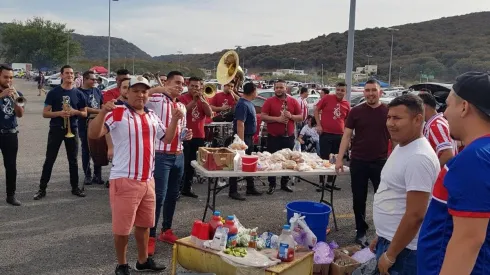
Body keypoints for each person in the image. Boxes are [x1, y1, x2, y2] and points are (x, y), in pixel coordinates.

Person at [88, 76, 172, 275]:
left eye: (144, 91)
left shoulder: (152, 115)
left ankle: (143, 261)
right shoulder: (118, 112)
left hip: (147, 179)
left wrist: (176, 119)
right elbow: (93, 134)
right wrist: (102, 112)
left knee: (144, 225)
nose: (140, 95)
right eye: (136, 90)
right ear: (127, 92)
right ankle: (122, 264)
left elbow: (166, 138)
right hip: (125, 178)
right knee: (123, 228)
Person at [418, 72, 490, 275]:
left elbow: (468, 240)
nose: (444, 113)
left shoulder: (473, 159)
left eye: (448, 105)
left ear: (464, 107)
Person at [370, 94, 440, 275]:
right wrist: (381, 234)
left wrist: (391, 254)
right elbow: (394, 193)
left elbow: (415, 214)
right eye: (389, 117)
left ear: (417, 120)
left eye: (397, 118)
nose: (390, 123)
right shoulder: (403, 146)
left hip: (404, 251)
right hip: (391, 240)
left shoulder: (418, 157)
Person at [335, 79, 391, 246]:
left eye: (374, 90)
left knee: (383, 198)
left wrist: (395, 158)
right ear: (363, 92)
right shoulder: (356, 112)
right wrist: (339, 159)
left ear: (380, 92)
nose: (370, 93)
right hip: (358, 161)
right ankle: (361, 231)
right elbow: (346, 136)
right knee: (359, 199)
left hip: (381, 161)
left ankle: (384, 232)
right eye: (367, 90)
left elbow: (394, 137)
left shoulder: (388, 112)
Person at [145, 71, 192, 255]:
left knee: (173, 195)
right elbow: (139, 96)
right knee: (158, 197)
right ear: (168, 82)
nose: (181, 86)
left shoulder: (182, 105)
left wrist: (187, 134)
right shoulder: (156, 99)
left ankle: (166, 230)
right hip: (161, 155)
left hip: (178, 154)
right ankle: (150, 235)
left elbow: (182, 130)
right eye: (177, 83)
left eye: (182, 83)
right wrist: (162, 88)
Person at [34, 65, 87, 200]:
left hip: (72, 129)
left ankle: (75, 187)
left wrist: (75, 112)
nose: (70, 75)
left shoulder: (79, 94)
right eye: (67, 73)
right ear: (61, 75)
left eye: (72, 73)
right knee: (50, 159)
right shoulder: (54, 92)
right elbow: (45, 113)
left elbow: (84, 113)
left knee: (73, 160)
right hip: (56, 129)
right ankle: (42, 189)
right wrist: (60, 113)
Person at [261, 79, 302, 194]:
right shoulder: (269, 101)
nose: (278, 90)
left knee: (288, 160)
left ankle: (284, 183)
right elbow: (263, 116)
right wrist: (277, 119)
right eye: (276, 88)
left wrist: (291, 116)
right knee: (272, 160)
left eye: (281, 87)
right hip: (273, 137)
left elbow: (301, 117)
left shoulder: (293, 101)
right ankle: (272, 184)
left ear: (286, 88)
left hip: (288, 137)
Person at [179, 77, 212, 198]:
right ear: (188, 86)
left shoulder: (203, 99)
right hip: (185, 135)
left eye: (196, 86)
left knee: (192, 164)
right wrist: (193, 101)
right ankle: (178, 189)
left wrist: (202, 100)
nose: (194, 88)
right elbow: (182, 112)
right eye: (192, 86)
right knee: (183, 164)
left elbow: (209, 114)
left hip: (199, 135)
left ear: (200, 87)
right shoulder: (182, 98)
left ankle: (187, 189)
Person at [228, 82, 262, 200]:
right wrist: (241, 143)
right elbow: (240, 124)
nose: (257, 93)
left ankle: (250, 187)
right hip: (243, 138)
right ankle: (233, 190)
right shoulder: (242, 105)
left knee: (248, 162)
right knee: (237, 164)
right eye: (256, 91)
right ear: (253, 91)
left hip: (249, 137)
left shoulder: (247, 102)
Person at [315, 82, 350, 188]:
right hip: (325, 134)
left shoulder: (347, 104)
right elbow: (316, 110)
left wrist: (348, 137)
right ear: (335, 90)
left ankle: (330, 182)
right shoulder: (327, 98)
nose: (340, 92)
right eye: (338, 90)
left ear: (346, 92)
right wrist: (318, 125)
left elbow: (347, 121)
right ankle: (321, 182)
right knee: (324, 158)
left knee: (335, 159)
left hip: (339, 135)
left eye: (342, 90)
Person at [0, 65, 24, 206]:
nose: (9, 80)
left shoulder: (17, 93)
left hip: (10, 134)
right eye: (5, 77)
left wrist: (16, 100)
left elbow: (20, 114)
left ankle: (11, 195)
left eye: (11, 77)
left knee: (11, 166)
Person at [78, 70, 104, 185]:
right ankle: (87, 175)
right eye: (92, 79)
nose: (95, 81)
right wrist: (101, 111)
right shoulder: (78, 92)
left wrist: (103, 111)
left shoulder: (97, 90)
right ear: (85, 79)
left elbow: (101, 104)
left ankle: (97, 175)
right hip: (84, 124)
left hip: (97, 123)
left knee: (98, 149)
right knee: (86, 150)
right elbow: (83, 109)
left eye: (95, 79)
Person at [418, 93, 457, 167]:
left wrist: (433, 170)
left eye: (417, 108)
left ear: (424, 106)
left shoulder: (436, 125)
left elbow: (448, 154)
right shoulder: (438, 122)